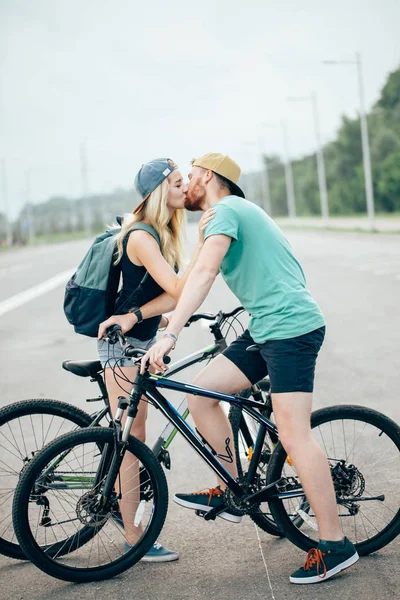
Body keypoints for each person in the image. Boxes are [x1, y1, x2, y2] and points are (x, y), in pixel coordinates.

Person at [139, 152, 359, 583]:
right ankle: (236, 486)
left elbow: (203, 275)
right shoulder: (221, 218)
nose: (185, 186)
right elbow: (189, 283)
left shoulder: (227, 210)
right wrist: (153, 318)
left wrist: (170, 336)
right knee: (200, 395)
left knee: (294, 433)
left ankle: (335, 545)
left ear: (207, 177)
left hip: (291, 329)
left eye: (191, 176)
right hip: (265, 328)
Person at [97, 157, 214, 562]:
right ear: (163, 191)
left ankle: (126, 513)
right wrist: (207, 239)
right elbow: (181, 289)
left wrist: (141, 315)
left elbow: (170, 296)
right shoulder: (142, 237)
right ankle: (133, 535)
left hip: (138, 341)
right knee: (132, 442)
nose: (187, 189)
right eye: (179, 183)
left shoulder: (159, 233)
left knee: (135, 438)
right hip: (122, 347)